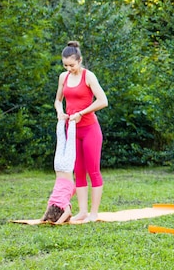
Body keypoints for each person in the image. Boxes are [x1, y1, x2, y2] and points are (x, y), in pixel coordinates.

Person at [54, 41, 108, 222]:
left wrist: (81, 113)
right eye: (65, 65)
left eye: (72, 65)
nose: (69, 68)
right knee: (78, 171)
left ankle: (93, 213)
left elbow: (102, 101)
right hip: (72, 131)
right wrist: (60, 112)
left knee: (93, 170)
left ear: (80, 60)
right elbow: (57, 100)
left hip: (90, 129)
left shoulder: (88, 76)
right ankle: (83, 211)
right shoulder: (63, 77)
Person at [41, 119, 77, 224]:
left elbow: (68, 213)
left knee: (70, 141)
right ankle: (61, 120)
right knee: (61, 141)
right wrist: (42, 219)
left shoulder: (63, 203)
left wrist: (58, 223)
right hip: (57, 167)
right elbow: (46, 213)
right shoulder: (51, 201)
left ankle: (73, 121)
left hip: (67, 167)